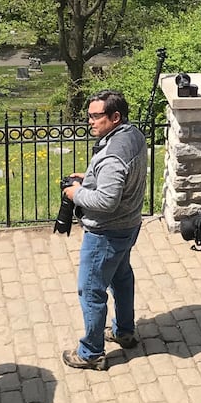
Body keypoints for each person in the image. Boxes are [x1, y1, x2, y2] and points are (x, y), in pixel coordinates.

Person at [61, 89, 148, 371]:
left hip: (106, 233)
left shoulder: (112, 155)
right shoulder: (132, 135)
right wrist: (90, 178)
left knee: (91, 290)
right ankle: (124, 331)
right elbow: (121, 179)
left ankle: (91, 352)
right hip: (130, 224)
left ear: (115, 116)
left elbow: (106, 201)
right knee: (121, 277)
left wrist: (75, 194)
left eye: (95, 116)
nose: (90, 121)